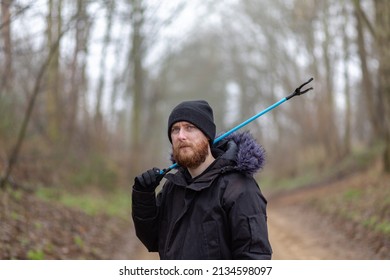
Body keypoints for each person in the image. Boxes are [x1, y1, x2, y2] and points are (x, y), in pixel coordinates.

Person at [131, 100, 272, 260]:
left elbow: (254, 258)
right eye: (175, 130)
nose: (181, 136)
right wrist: (143, 196)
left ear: (207, 136)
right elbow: (154, 240)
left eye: (189, 128)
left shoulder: (239, 188)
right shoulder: (173, 186)